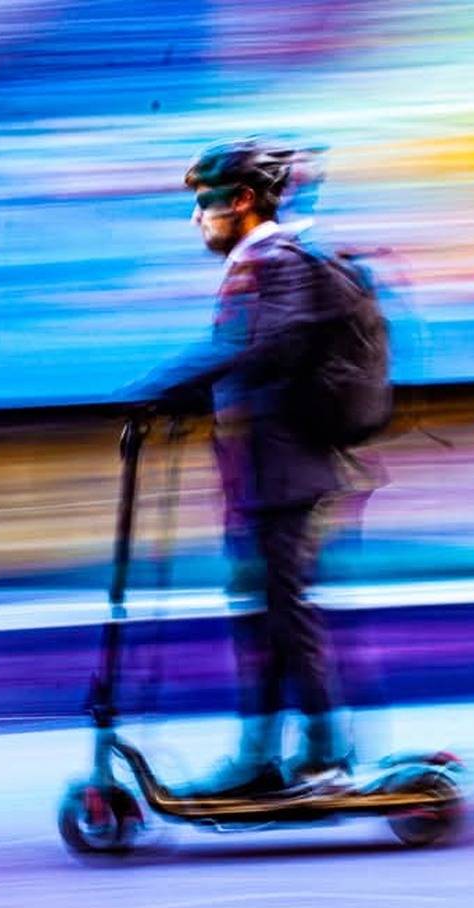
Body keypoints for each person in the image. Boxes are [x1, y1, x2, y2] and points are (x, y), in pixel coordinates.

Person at [146, 138, 354, 797]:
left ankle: (324, 758)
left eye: (204, 203)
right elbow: (248, 358)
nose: (196, 218)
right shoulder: (259, 264)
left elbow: (261, 349)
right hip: (260, 475)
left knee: (284, 611)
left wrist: (164, 385)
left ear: (240, 201)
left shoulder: (278, 263)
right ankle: (260, 758)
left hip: (286, 474)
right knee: (262, 613)